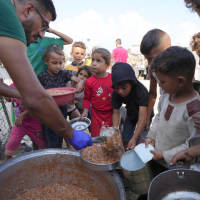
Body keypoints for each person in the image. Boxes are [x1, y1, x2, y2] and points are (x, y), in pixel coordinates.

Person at [0, 0, 92, 150]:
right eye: (43, 26)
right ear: (29, 9)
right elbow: (35, 98)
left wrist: (24, 93)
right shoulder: (7, 14)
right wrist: (71, 134)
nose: (43, 35)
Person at [137, 46, 200, 200]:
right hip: (156, 156)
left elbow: (191, 145)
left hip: (175, 165)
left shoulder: (194, 109)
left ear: (180, 81)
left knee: (167, 192)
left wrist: (164, 155)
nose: (159, 85)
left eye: (162, 81)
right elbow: (159, 117)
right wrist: (152, 136)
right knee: (151, 187)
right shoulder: (166, 96)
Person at [38, 44, 85, 148]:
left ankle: (59, 154)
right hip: (48, 111)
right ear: (46, 61)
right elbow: (37, 92)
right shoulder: (42, 76)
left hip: (62, 109)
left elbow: (79, 80)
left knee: (60, 134)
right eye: (54, 63)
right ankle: (53, 157)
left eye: (60, 63)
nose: (58, 66)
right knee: (51, 138)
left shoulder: (64, 74)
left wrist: (80, 83)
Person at [111, 63, 152, 150]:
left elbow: (142, 117)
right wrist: (115, 130)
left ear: (132, 83)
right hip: (131, 114)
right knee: (125, 137)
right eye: (117, 88)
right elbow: (115, 113)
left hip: (145, 115)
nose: (120, 91)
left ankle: (136, 154)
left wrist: (134, 138)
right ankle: (127, 152)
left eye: (124, 87)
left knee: (140, 139)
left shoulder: (141, 91)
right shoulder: (116, 93)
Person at [4, 83, 46, 160]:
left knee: (42, 145)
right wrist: (3, 89)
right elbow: (8, 99)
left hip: (34, 123)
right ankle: (5, 166)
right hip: (20, 124)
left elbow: (36, 104)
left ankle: (43, 162)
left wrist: (23, 115)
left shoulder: (30, 85)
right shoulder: (11, 87)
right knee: (12, 142)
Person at [140, 29, 171, 131]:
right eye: (147, 59)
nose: (149, 63)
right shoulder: (152, 69)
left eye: (152, 58)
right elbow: (153, 94)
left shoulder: (180, 68)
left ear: (166, 50)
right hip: (164, 109)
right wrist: (147, 117)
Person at [81, 48, 113, 137]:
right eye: (93, 60)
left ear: (107, 65)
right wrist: (85, 110)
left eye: (98, 61)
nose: (94, 63)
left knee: (109, 140)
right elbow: (87, 98)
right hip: (95, 115)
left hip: (110, 115)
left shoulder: (113, 79)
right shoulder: (89, 82)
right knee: (96, 139)